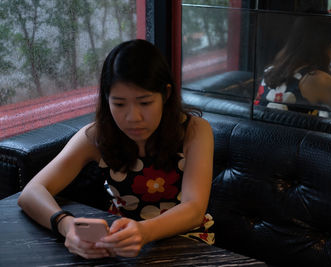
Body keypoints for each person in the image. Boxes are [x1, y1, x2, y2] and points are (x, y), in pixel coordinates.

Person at [17, 39, 215, 259]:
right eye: (119, 104)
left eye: (145, 103)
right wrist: (65, 225)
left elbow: (194, 208)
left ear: (166, 95)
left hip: (186, 241)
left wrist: (144, 231)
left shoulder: (194, 131)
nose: (133, 118)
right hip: (119, 242)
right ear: (106, 99)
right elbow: (31, 192)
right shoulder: (96, 136)